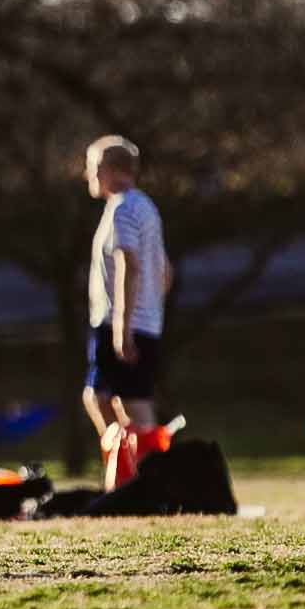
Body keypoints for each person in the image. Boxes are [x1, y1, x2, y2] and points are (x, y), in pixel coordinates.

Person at [80, 136, 173, 438]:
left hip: (121, 322)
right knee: (110, 397)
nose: (88, 175)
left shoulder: (123, 209)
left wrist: (124, 326)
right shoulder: (145, 207)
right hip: (144, 321)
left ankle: (142, 469)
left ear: (112, 168)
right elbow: (164, 272)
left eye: (93, 167)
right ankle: (130, 464)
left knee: (127, 401)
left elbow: (129, 265)